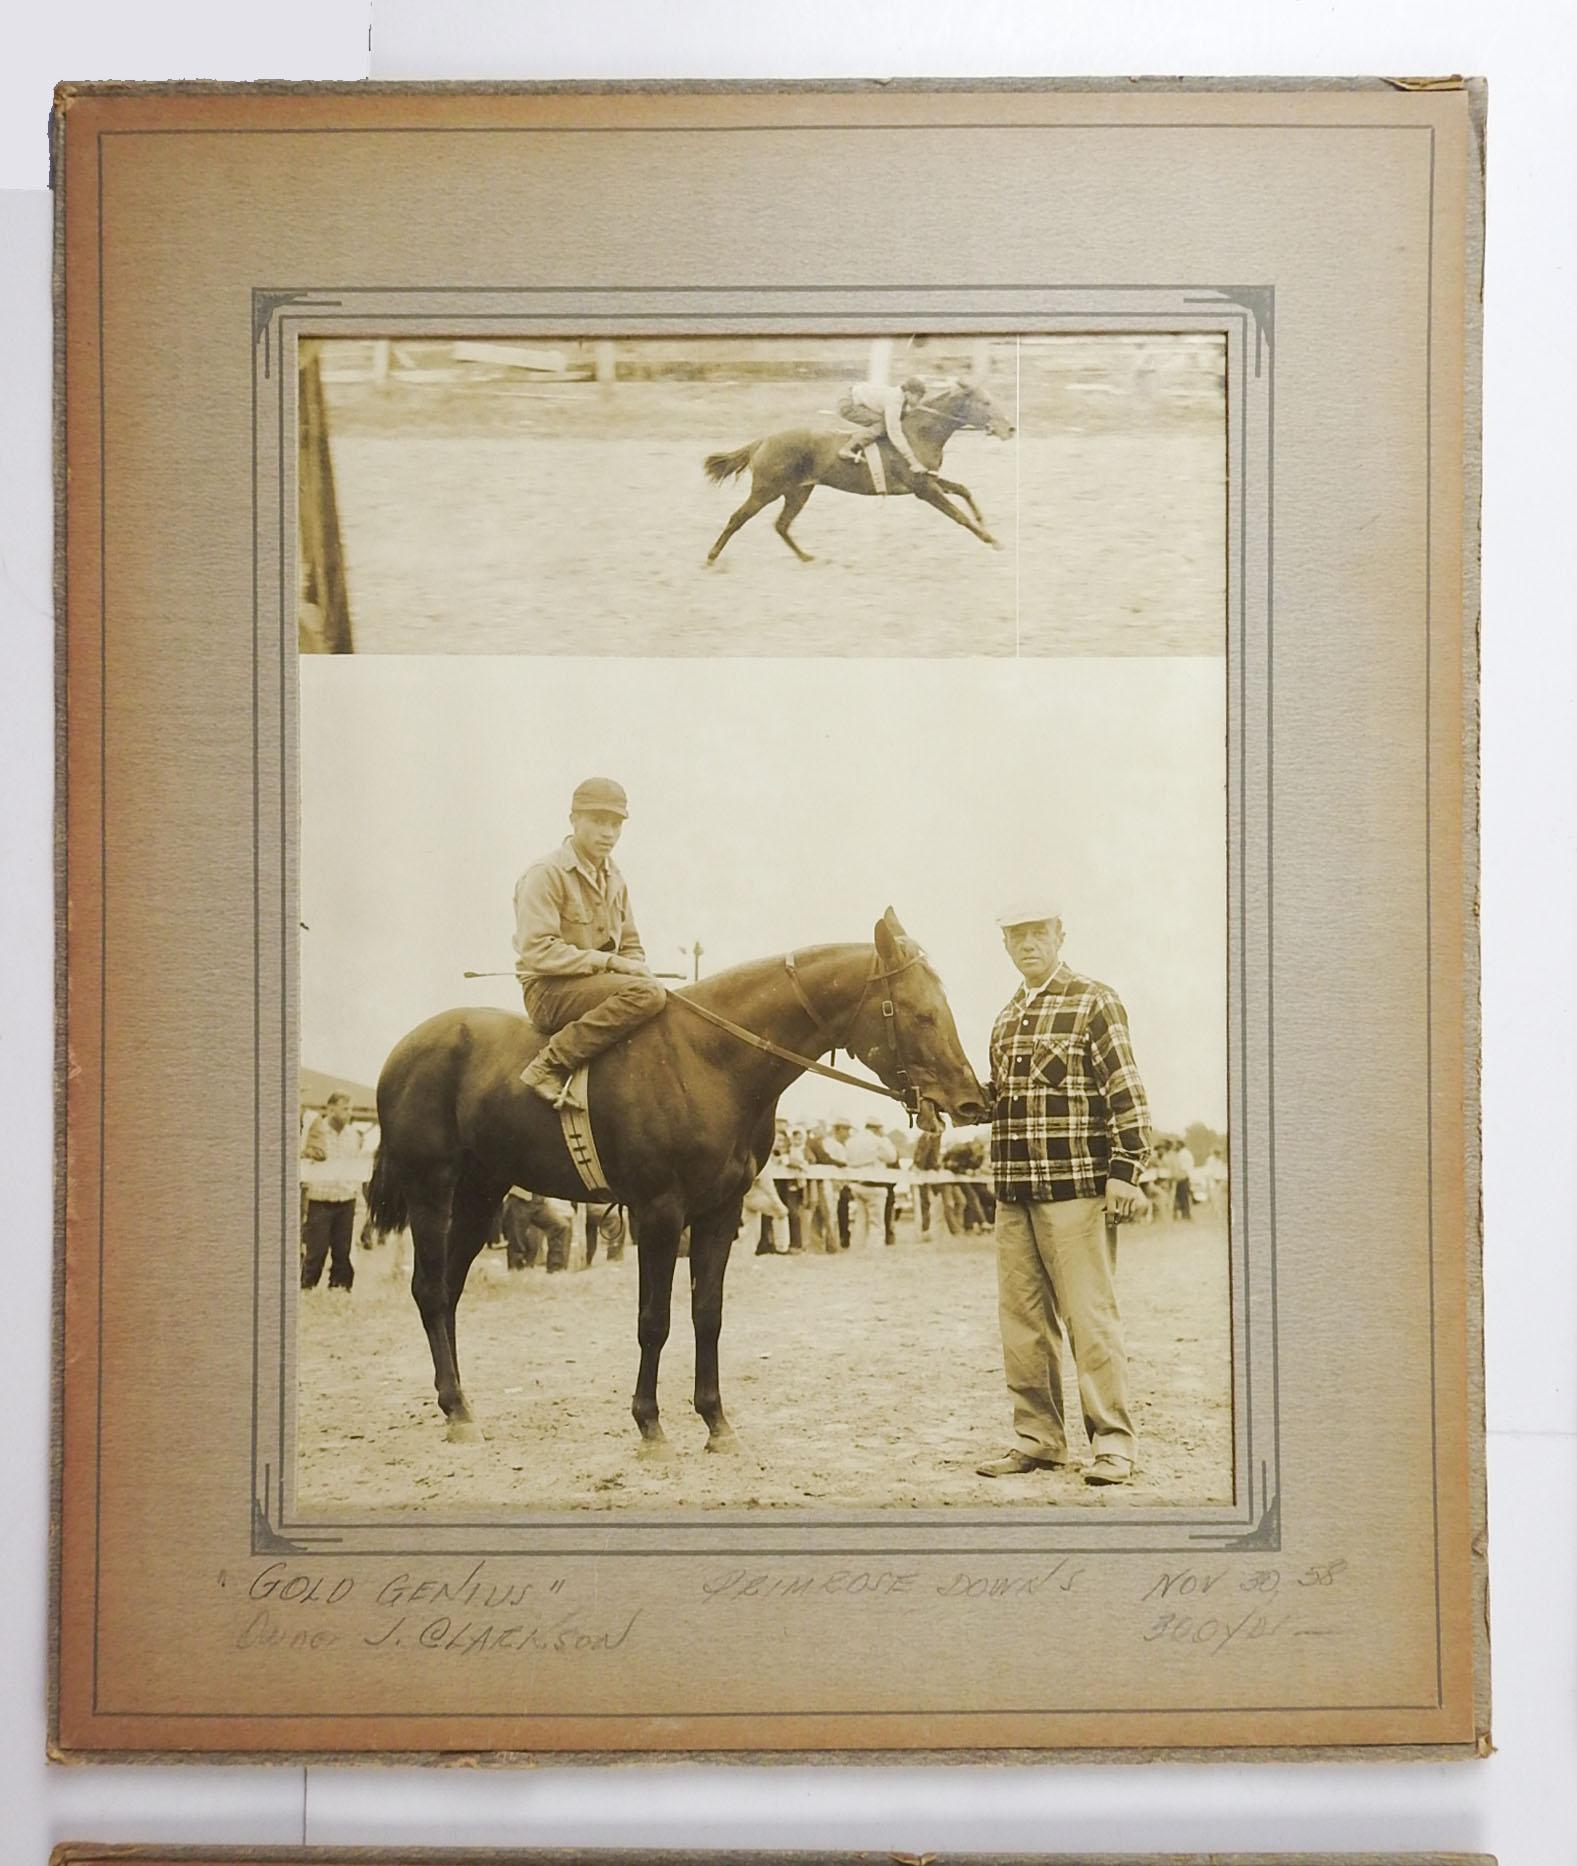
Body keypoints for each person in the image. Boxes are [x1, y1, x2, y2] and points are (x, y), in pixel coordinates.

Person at [975, 898, 1152, 1488]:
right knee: (1023, 1324)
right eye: (1016, 935)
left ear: (1059, 935)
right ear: (1005, 945)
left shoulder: (1094, 1000)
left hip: (1076, 1190)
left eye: (1038, 932)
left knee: (1089, 1318)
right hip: (1013, 1193)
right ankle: (1039, 1440)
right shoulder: (1004, 1020)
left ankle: (1114, 1444)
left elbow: (1126, 1091)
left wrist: (1126, 1170)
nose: (1028, 943)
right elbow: (1001, 1098)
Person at [512, 777, 666, 1108]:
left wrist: (636, 967)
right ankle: (549, 1064)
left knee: (663, 997)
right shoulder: (546, 873)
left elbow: (631, 945)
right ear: (573, 820)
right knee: (647, 994)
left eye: (615, 824)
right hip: (548, 991)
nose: (608, 833)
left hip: (598, 989)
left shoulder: (615, 878)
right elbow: (538, 950)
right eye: (598, 821)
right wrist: (611, 964)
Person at [300, 1091, 363, 1292]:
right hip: (321, 1199)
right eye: (345, 1109)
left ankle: (339, 1288)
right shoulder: (317, 1130)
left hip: (346, 1200)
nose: (349, 1113)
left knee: (342, 1250)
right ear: (331, 1108)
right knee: (316, 1250)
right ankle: (307, 1287)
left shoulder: (354, 1135)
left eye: (351, 1109)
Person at [836, 374, 931, 477]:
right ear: (908, 393)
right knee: (882, 425)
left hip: (854, 395)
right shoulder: (894, 401)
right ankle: (847, 448)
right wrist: (913, 462)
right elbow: (894, 433)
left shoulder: (900, 395)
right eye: (918, 397)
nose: (919, 401)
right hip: (848, 404)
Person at [842, 1118, 896, 1248]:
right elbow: (892, 1157)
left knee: (860, 1220)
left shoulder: (852, 1141)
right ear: (877, 1128)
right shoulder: (878, 1141)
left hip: (857, 1184)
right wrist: (885, 1140)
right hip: (875, 1185)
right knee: (876, 1222)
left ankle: (857, 1248)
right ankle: (874, 1250)